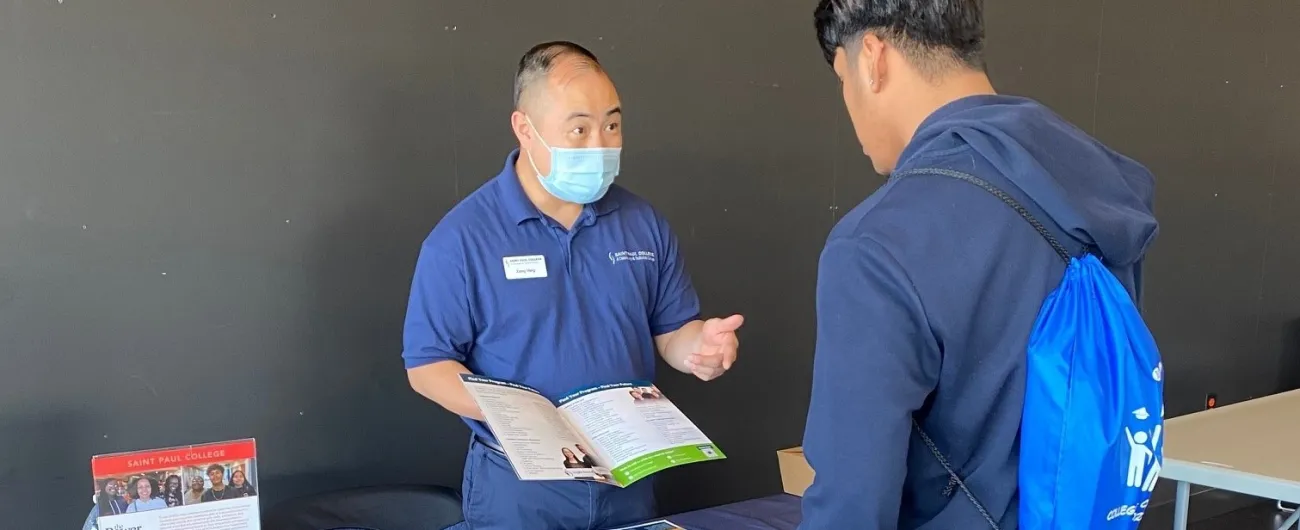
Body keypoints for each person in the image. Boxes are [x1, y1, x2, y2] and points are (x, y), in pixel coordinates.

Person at [802, 1, 1157, 528]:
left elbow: (850, 506)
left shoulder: (877, 244)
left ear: (873, 58)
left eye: (841, 77)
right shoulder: (1095, 187)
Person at [402, 41, 744, 530]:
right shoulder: (461, 239)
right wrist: (523, 418)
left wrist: (699, 348)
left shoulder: (641, 223)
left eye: (612, 125)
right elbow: (426, 365)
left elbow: (671, 331)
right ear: (525, 128)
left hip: (628, 477)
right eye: (579, 129)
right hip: (521, 491)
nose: (600, 145)